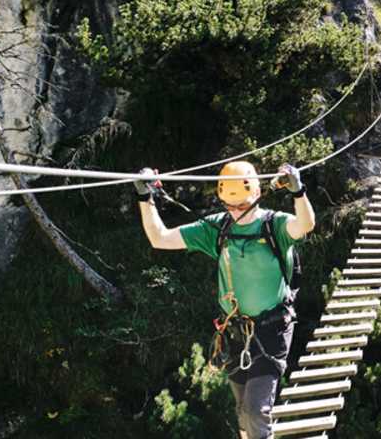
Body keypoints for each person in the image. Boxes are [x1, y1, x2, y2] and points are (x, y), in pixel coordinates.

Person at [134, 160, 314, 439]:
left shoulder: (274, 225)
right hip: (234, 333)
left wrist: (298, 192)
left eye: (240, 206)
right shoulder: (217, 229)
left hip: (272, 329)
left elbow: (304, 224)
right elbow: (160, 238)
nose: (235, 212)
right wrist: (145, 198)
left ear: (255, 195)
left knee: (256, 409)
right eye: (230, 206)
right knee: (242, 409)